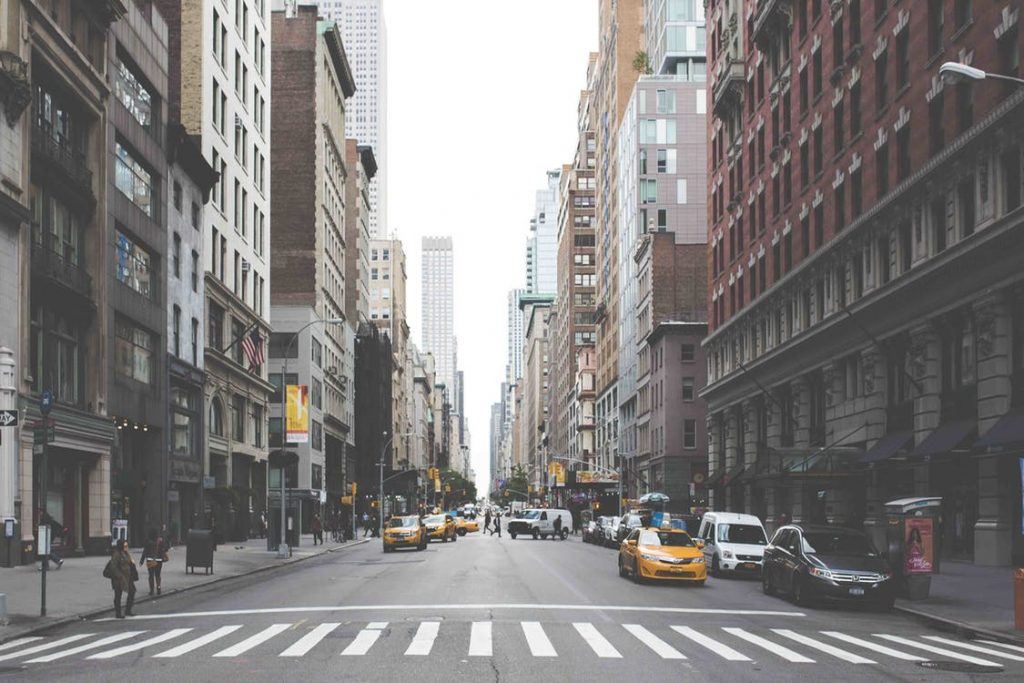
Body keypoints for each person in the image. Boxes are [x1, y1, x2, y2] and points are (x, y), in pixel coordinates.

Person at [105, 539, 137, 618]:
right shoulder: (116, 554)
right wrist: (119, 576)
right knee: (118, 594)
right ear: (121, 546)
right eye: (125, 546)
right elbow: (113, 566)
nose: (127, 547)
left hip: (128, 577)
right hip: (119, 578)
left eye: (127, 546)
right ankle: (118, 613)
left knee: (132, 591)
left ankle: (128, 610)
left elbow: (129, 563)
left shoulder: (126, 554)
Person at [140, 528, 168, 596]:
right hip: (158, 560)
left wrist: (141, 560)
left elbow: (145, 551)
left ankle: (151, 590)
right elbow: (166, 548)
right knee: (158, 575)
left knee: (151, 575)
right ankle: (158, 588)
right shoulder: (160, 541)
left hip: (150, 560)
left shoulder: (147, 541)